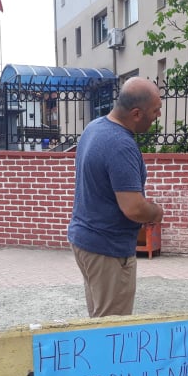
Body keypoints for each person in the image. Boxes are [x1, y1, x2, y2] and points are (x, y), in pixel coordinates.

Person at [67, 77, 164, 317]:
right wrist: (156, 212)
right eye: (155, 110)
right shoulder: (121, 145)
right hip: (107, 249)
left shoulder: (95, 127)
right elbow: (134, 208)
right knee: (112, 330)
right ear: (136, 113)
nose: (158, 115)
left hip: (86, 240)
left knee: (99, 320)